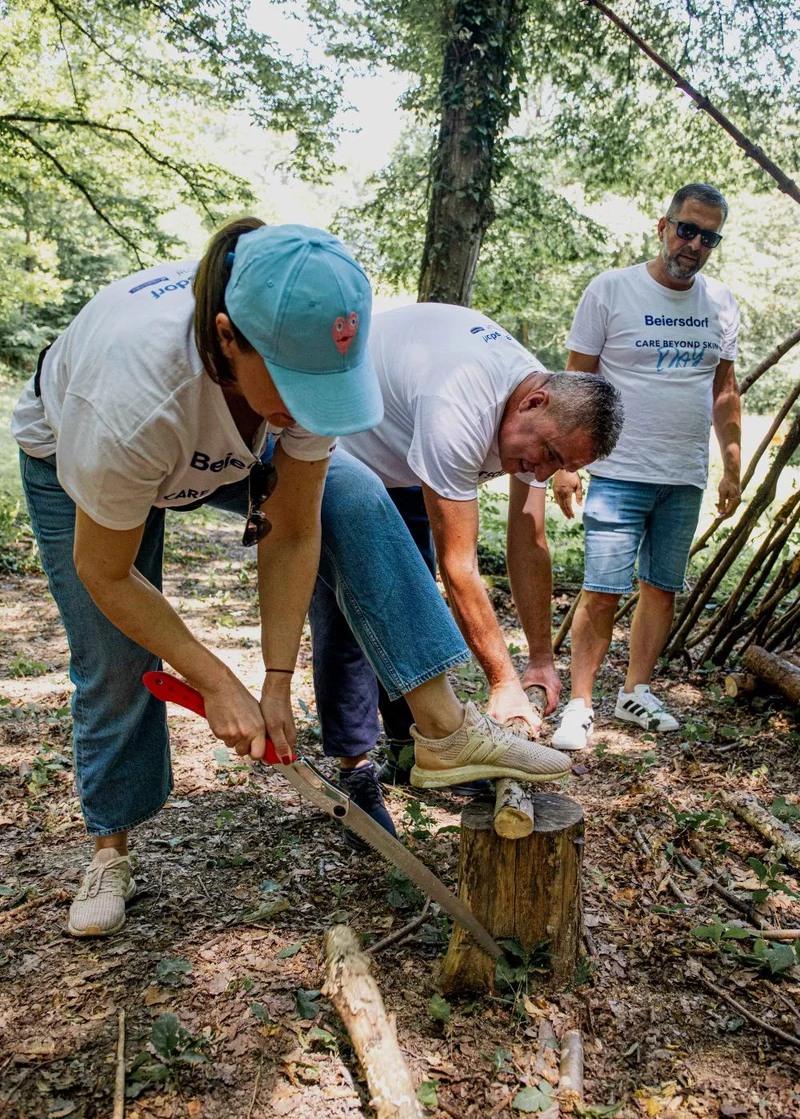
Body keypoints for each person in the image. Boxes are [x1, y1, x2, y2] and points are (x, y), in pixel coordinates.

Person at [11, 218, 571, 938]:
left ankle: (443, 729)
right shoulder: (135, 398)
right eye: (295, 384)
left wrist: (276, 678)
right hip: (86, 457)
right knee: (115, 657)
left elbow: (295, 528)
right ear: (226, 335)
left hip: (223, 444)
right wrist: (216, 680)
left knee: (361, 495)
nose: (312, 407)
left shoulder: (306, 369)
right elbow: (106, 572)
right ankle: (110, 847)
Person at [309, 302, 623, 832]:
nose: (541, 471)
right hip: (336, 448)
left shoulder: (539, 420)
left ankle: (418, 747)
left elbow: (530, 543)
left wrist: (541, 661)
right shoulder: (460, 404)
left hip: (403, 458)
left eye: (560, 465)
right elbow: (462, 569)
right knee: (348, 613)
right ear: (534, 400)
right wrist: (502, 683)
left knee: (409, 596)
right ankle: (355, 769)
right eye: (545, 452)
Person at [550, 183, 742, 751]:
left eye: (707, 237)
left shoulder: (722, 303)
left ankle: (636, 691)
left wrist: (732, 462)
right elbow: (576, 380)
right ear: (664, 227)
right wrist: (565, 462)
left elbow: (725, 389)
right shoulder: (612, 290)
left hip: (683, 472)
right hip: (618, 468)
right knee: (602, 589)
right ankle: (580, 706)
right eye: (686, 229)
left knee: (661, 589)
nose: (694, 244)